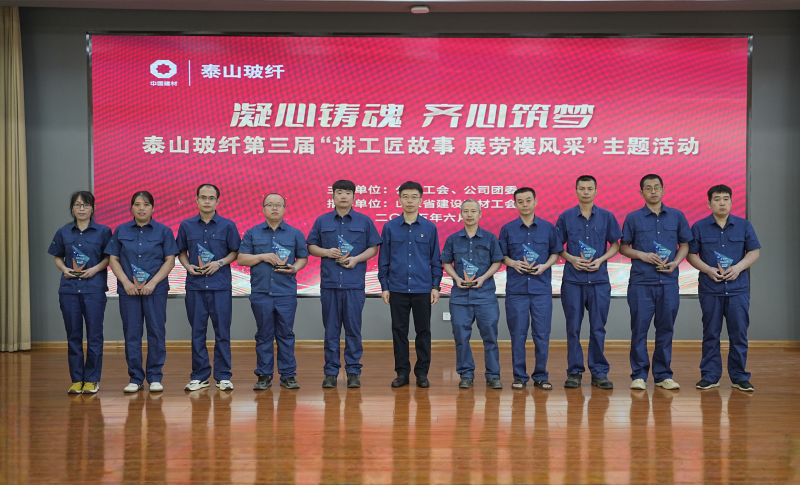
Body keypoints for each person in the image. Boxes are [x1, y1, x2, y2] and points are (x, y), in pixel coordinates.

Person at [619, 174, 692, 391]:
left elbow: (685, 244)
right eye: (648, 188)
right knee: (639, 330)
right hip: (641, 283)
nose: (653, 191)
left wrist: (676, 262)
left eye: (657, 187)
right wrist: (641, 255)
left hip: (668, 282)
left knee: (666, 329)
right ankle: (639, 375)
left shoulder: (677, 216)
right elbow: (623, 247)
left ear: (663, 190)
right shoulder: (633, 218)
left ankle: (663, 375)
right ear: (641, 192)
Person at [307, 180, 381, 389]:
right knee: (331, 331)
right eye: (339, 192)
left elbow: (373, 248)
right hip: (330, 284)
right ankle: (330, 372)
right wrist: (326, 252)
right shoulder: (322, 221)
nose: (343, 196)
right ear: (333, 196)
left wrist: (357, 259)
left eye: (347, 193)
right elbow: (311, 246)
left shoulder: (364, 221)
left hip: (354, 285)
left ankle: (353, 372)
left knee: (353, 330)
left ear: (354, 196)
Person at [687, 184, 760, 392]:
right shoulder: (699, 227)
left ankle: (739, 376)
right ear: (709, 203)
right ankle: (710, 376)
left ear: (731, 201)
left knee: (739, 333)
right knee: (711, 332)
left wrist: (738, 268)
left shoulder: (744, 225)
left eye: (726, 198)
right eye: (717, 199)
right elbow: (691, 254)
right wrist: (708, 269)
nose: (722, 203)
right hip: (711, 289)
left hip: (738, 289)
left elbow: (754, 252)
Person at [106, 191, 179, 393]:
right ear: (131, 208)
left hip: (155, 290)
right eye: (137, 204)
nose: (141, 208)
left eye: (146, 204)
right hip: (128, 291)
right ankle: (135, 378)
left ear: (153, 208)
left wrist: (153, 283)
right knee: (132, 334)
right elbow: (113, 259)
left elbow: (170, 261)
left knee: (156, 332)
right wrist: (125, 282)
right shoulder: (121, 230)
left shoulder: (164, 231)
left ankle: (155, 377)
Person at [556, 175, 622, 390]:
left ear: (596, 191)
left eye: (590, 188)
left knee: (598, 328)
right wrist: (571, 259)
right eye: (582, 188)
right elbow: (557, 246)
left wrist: (601, 259)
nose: (586, 192)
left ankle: (599, 372)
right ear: (576, 190)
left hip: (599, 280)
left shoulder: (607, 216)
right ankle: (574, 372)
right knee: (573, 328)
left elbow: (616, 244)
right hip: (573, 281)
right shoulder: (566, 217)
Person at [238, 194, 309, 391]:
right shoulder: (252, 232)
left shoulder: (295, 233)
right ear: (263, 209)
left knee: (286, 334)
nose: (274, 208)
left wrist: (295, 268)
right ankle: (264, 375)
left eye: (278, 205)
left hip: (285, 293)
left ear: (285, 208)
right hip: (261, 292)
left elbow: (303, 258)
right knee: (264, 335)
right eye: (270, 205)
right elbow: (242, 259)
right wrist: (262, 256)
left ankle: (288, 375)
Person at [378, 181, 443, 388]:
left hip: (422, 288)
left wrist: (435, 286)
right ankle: (402, 373)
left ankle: (422, 373)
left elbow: (435, 260)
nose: (410, 201)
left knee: (423, 332)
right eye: (405, 196)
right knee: (399, 331)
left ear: (421, 200)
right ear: (399, 199)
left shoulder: (429, 228)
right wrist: (384, 286)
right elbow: (384, 259)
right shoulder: (389, 227)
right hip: (397, 288)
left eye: (414, 197)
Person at [176, 184, 241, 392]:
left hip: (220, 286)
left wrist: (219, 263)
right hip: (195, 286)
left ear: (217, 201)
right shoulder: (186, 225)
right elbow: (181, 252)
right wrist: (187, 266)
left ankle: (223, 376)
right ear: (196, 200)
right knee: (197, 332)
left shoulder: (228, 225)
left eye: (211, 198)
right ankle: (199, 376)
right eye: (203, 197)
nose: (207, 201)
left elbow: (235, 252)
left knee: (222, 332)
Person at [48, 191, 112, 394]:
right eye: (77, 205)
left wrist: (95, 269)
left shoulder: (104, 231)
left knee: (94, 335)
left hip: (94, 290)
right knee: (73, 335)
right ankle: (77, 380)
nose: (82, 209)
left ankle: (92, 379)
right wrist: (64, 269)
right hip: (69, 291)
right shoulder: (63, 232)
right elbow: (57, 256)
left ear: (93, 208)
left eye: (86, 205)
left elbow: (109, 258)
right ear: (72, 208)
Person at [499, 187, 561, 391]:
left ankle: (541, 376)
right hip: (517, 291)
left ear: (535, 202)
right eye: (520, 201)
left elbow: (555, 253)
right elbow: (502, 256)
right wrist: (513, 263)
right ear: (515, 204)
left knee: (542, 335)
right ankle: (519, 377)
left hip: (541, 289)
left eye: (528, 200)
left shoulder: (548, 228)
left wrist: (545, 266)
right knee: (518, 335)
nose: (524, 204)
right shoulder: (507, 229)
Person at [441, 199, 504, 389]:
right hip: (460, 297)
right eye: (466, 211)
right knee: (461, 337)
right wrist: (456, 278)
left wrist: (483, 278)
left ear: (480, 214)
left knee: (490, 337)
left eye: (473, 211)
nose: (469, 214)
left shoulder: (490, 238)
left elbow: (497, 261)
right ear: (461, 214)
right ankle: (466, 374)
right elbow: (446, 262)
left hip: (485, 296)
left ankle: (493, 375)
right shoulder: (453, 239)